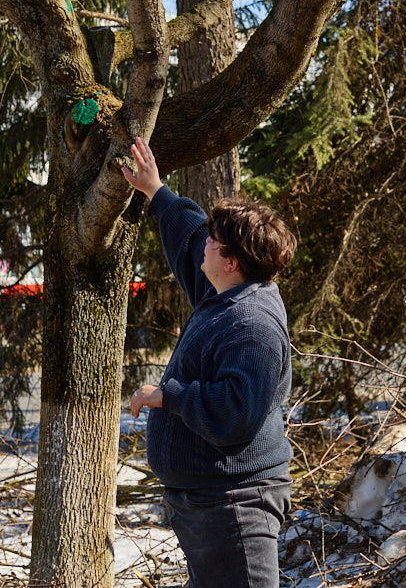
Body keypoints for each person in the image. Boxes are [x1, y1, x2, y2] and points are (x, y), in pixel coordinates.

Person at [122, 136, 297, 588]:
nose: (205, 243)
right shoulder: (228, 293)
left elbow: (235, 414)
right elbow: (189, 238)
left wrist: (169, 396)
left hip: (236, 505)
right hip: (211, 503)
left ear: (233, 262)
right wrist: (155, 190)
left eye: (214, 243)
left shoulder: (252, 326)